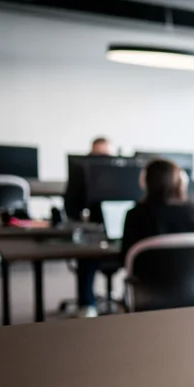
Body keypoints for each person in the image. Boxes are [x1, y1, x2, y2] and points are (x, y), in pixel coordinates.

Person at [120, 159, 194, 264]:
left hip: (150, 279)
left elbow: (126, 257)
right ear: (181, 182)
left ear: (145, 182)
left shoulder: (136, 215)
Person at [74, 136, 115, 317]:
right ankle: (87, 304)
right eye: (97, 155)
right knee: (86, 254)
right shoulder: (81, 174)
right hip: (92, 231)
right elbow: (72, 206)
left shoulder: (122, 178)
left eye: (107, 156)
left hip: (120, 232)